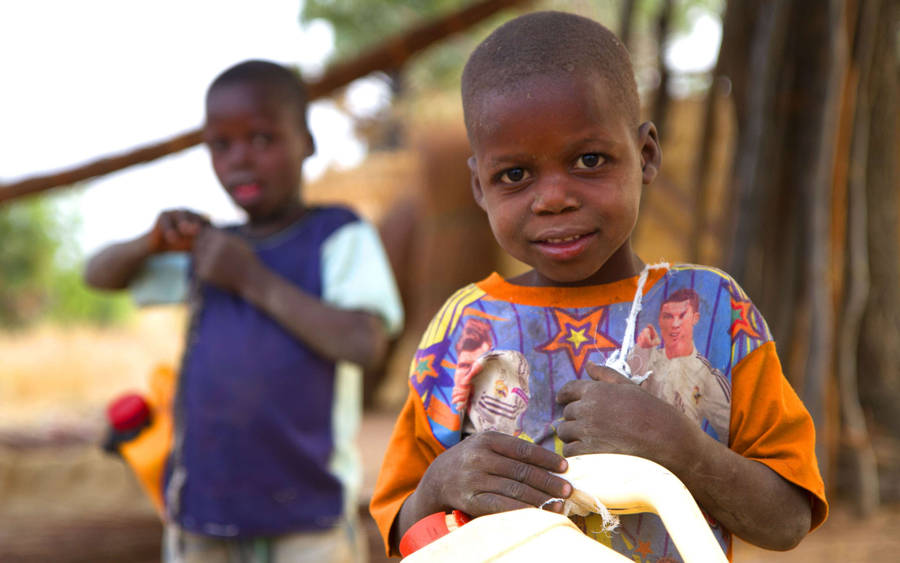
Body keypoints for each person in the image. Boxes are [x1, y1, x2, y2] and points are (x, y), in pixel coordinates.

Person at [369, 11, 826, 562]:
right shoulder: (465, 326)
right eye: (514, 175)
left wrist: (683, 451)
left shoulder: (713, 312)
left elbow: (787, 520)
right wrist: (440, 483)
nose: (553, 198)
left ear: (646, 155)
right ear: (478, 187)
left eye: (589, 160)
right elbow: (398, 528)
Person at [84, 60, 403, 563]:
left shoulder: (338, 235)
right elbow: (99, 275)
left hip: (309, 515)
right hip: (203, 510)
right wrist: (150, 242)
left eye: (262, 139)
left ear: (308, 142)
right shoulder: (210, 248)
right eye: (221, 145)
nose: (240, 161)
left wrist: (250, 278)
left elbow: (363, 344)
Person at [628, 288, 731, 441]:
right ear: (660, 320)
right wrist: (641, 352)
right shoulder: (646, 356)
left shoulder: (707, 375)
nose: (675, 324)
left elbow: (732, 438)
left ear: (695, 318)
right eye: (668, 317)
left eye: (682, 316)